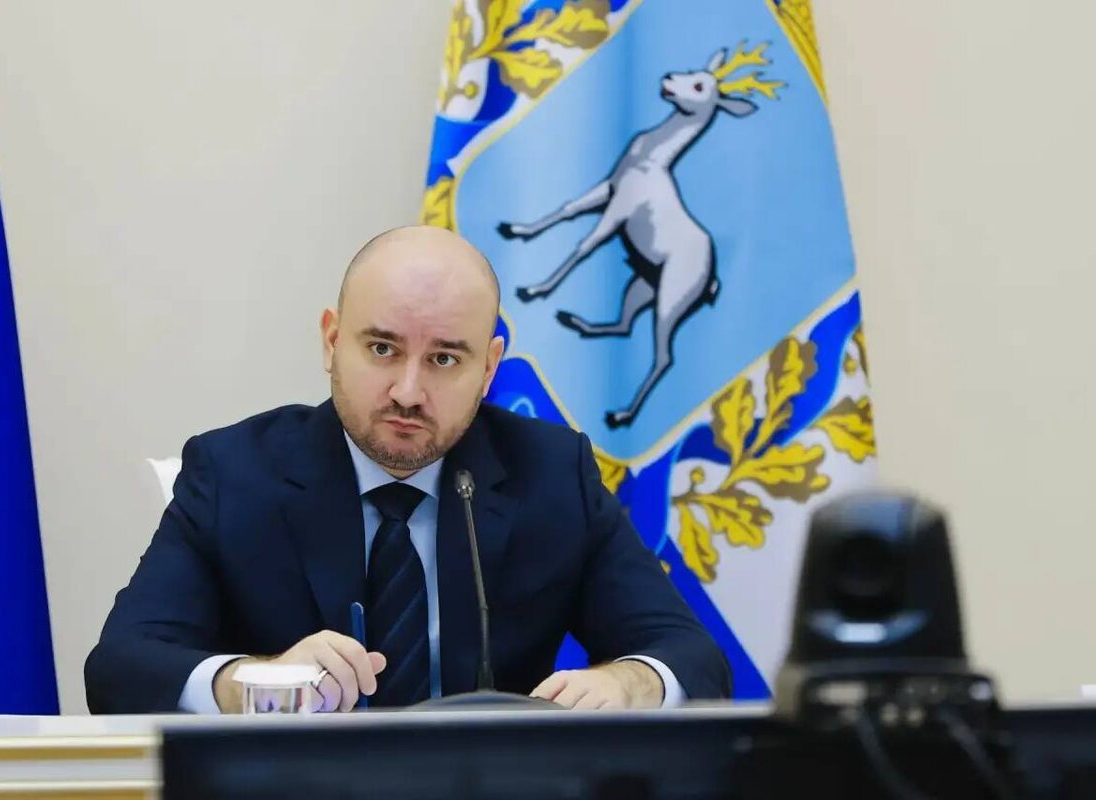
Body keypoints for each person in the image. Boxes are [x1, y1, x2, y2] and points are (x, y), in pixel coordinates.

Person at [85, 226, 730, 714]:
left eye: (445, 359)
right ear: (332, 341)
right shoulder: (234, 472)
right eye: (382, 348)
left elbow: (693, 658)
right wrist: (251, 682)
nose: (408, 392)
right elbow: (120, 667)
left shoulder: (551, 474)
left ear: (488, 368)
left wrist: (629, 682)